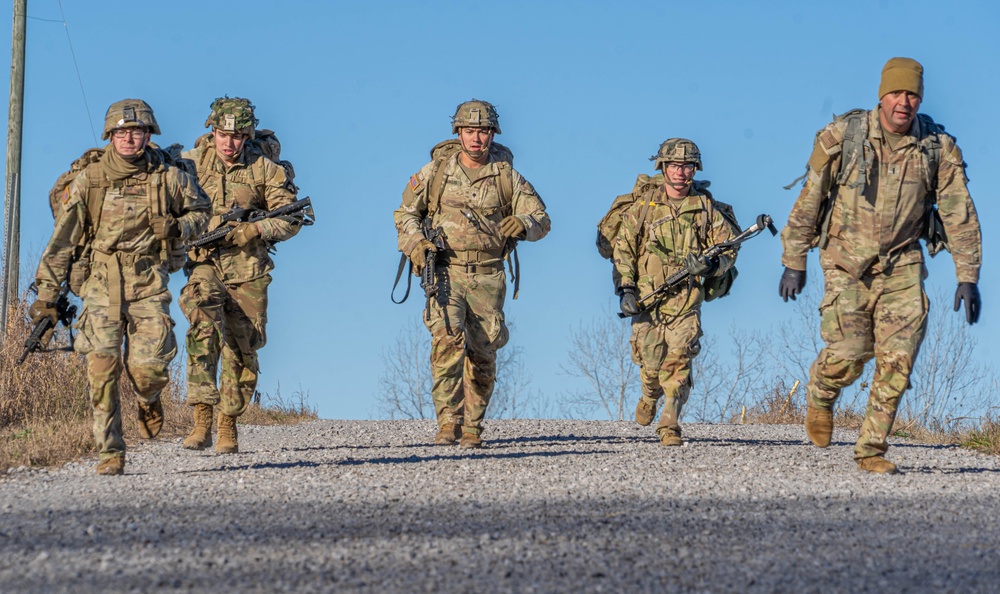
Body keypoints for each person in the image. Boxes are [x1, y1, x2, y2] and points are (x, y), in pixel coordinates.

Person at [779, 57, 982, 474]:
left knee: (898, 358)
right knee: (852, 352)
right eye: (896, 93)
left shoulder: (936, 148)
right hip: (845, 261)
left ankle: (871, 448)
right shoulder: (844, 137)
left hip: (903, 264)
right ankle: (821, 394)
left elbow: (959, 213)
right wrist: (793, 260)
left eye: (912, 94)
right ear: (881, 96)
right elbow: (810, 199)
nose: (903, 102)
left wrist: (968, 276)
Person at [29, 99, 211, 475]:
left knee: (148, 368)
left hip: (148, 280)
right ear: (110, 136)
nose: (130, 138)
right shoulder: (90, 180)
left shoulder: (168, 177)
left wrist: (179, 228)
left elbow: (202, 212)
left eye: (137, 131)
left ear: (149, 134)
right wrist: (46, 296)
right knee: (102, 366)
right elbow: (61, 242)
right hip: (101, 282)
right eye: (122, 132)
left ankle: (149, 399)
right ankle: (110, 452)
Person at [393, 99, 550, 448]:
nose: (476, 138)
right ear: (458, 133)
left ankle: (473, 427)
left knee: (483, 352)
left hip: (488, 275)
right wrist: (418, 245)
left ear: (493, 134)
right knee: (446, 344)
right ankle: (448, 423)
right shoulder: (436, 172)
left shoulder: (507, 176)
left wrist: (523, 224)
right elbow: (405, 215)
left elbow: (542, 218)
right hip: (446, 270)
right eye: (469, 131)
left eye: (482, 131)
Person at [179, 97, 303, 454]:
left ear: (247, 135)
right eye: (222, 135)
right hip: (205, 263)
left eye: (236, 137)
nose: (228, 143)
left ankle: (228, 422)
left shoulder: (265, 169)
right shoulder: (190, 163)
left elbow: (292, 217)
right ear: (212, 132)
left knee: (243, 346)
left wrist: (254, 231)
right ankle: (201, 418)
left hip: (249, 269)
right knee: (200, 317)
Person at [614, 139, 740, 446]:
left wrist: (711, 268)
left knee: (680, 360)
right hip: (648, 299)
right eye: (673, 165)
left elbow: (729, 248)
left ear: (695, 169)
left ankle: (669, 424)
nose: (680, 172)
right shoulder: (643, 208)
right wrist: (626, 289)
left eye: (687, 166)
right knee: (651, 365)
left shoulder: (706, 209)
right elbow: (624, 249)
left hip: (686, 301)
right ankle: (649, 395)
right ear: (662, 167)